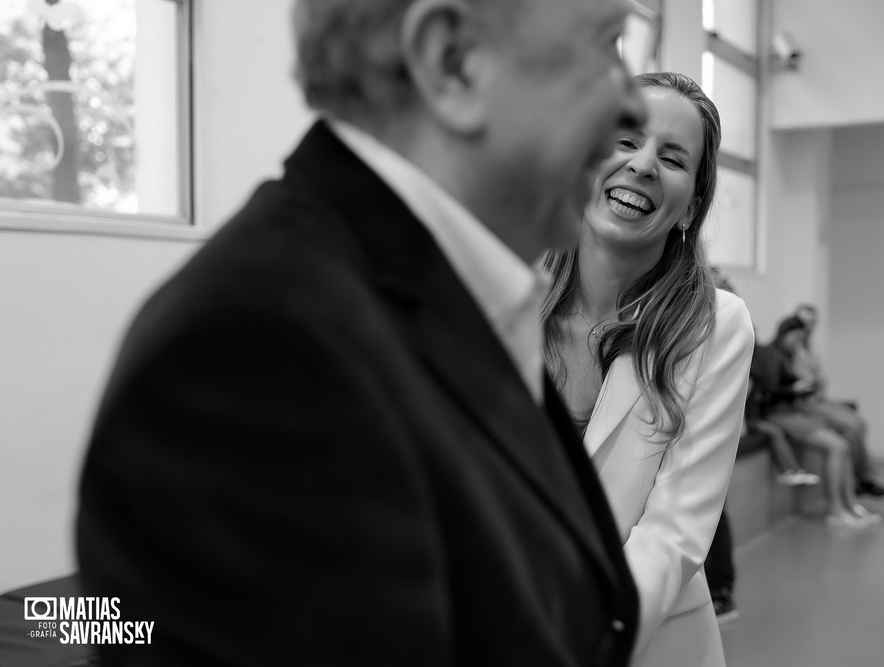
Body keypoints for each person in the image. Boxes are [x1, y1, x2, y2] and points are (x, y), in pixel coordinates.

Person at [75, 1, 647, 665]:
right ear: (452, 61)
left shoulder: (454, 299)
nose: (633, 104)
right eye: (608, 43)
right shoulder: (261, 354)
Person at [543, 72, 754, 667]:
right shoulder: (503, 290)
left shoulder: (717, 325)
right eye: (626, 140)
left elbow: (674, 532)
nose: (641, 166)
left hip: (637, 639)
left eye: (673, 158)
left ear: (693, 202)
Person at [753, 317, 882, 528]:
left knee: (845, 443)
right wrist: (794, 389)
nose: (797, 341)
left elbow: (783, 384)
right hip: (779, 414)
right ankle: (836, 510)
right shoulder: (769, 354)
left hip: (792, 410)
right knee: (838, 446)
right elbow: (766, 390)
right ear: (784, 332)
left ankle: (850, 504)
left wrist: (801, 386)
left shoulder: (789, 355)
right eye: (795, 336)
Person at [792, 304, 884, 497]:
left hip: (820, 400)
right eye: (803, 322)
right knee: (851, 426)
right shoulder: (792, 349)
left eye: (812, 322)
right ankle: (863, 478)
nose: (808, 326)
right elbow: (802, 383)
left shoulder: (810, 349)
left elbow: (819, 379)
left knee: (859, 422)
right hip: (807, 404)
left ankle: (862, 476)